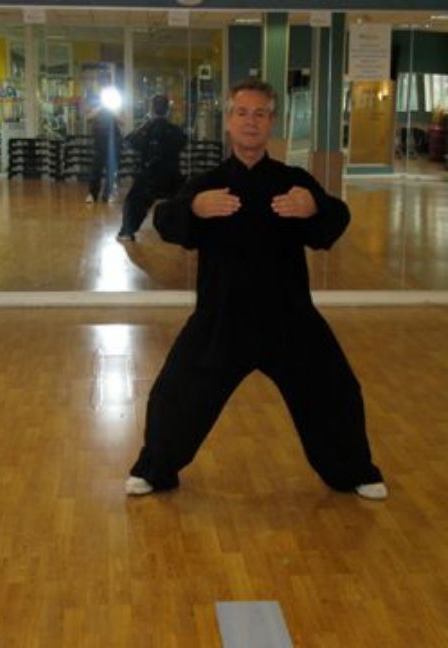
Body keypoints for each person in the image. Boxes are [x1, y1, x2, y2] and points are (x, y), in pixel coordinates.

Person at [125, 78, 388, 501]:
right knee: (177, 392)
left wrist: (314, 207)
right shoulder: (207, 183)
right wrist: (195, 207)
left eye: (260, 114)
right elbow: (165, 221)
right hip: (221, 317)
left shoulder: (293, 181)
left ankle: (353, 470)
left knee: (334, 389)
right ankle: (155, 470)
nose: (251, 122)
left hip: (289, 316)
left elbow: (335, 220)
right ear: (229, 121)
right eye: (242, 113)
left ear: (271, 122)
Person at [116, 94, 187, 241]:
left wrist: (145, 123)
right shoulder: (175, 130)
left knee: (133, 201)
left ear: (151, 109)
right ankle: (184, 233)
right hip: (172, 176)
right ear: (168, 110)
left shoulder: (146, 128)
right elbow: (183, 142)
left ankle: (127, 232)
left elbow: (130, 141)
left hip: (149, 176)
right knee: (183, 201)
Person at [85, 103, 122, 204]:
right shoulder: (97, 109)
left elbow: (121, 121)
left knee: (111, 171)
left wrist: (112, 111)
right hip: (99, 144)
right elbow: (88, 118)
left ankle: (108, 194)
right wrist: (101, 108)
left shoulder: (114, 109)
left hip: (112, 145)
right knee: (95, 170)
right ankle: (92, 194)